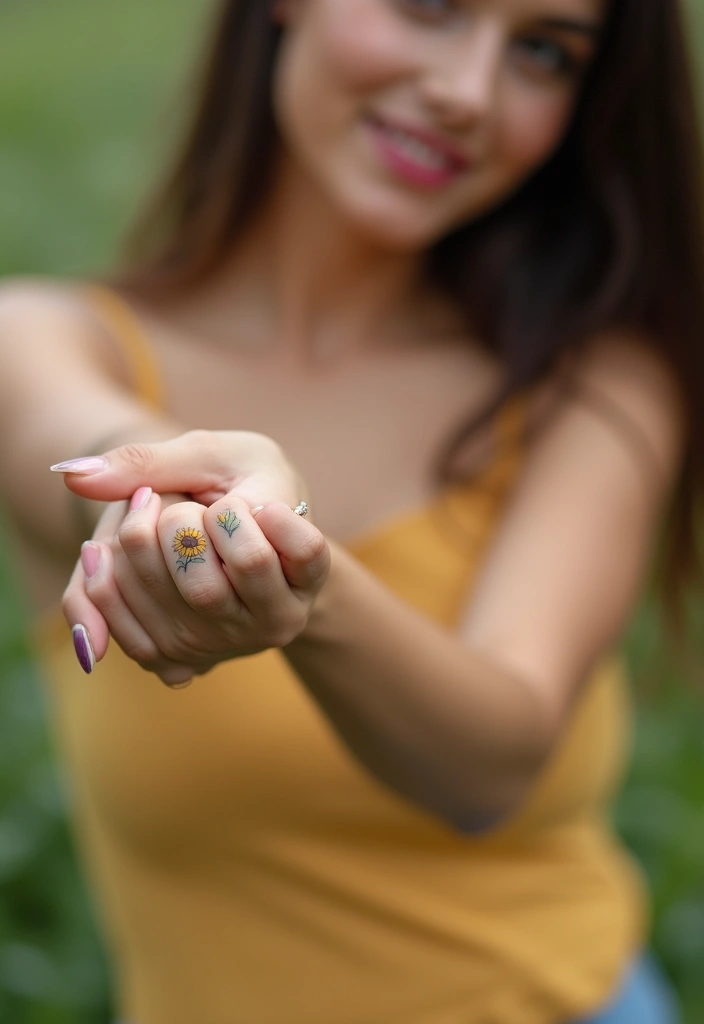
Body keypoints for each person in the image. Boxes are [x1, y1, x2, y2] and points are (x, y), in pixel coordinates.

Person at [1, 0, 703, 1021]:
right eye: (431, 6)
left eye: (542, 52)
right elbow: (70, 433)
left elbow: (488, 763)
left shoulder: (592, 385)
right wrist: (171, 487)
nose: (465, 91)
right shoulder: (41, 336)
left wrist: (302, 583)